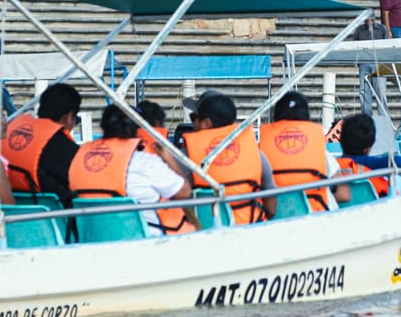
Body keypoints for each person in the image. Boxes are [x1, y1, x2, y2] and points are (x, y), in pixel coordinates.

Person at [67, 102, 195, 235]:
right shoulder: (145, 163)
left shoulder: (79, 160)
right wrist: (168, 158)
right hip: (144, 243)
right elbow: (184, 192)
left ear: (103, 128)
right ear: (136, 130)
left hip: (95, 240)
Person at [179, 91, 274, 223]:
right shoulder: (256, 153)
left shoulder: (186, 156)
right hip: (249, 230)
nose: (192, 124)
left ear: (206, 123)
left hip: (204, 233)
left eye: (193, 118)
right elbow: (272, 208)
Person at [257, 90, 334, 211]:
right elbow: (343, 195)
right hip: (314, 216)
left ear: (276, 115)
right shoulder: (320, 150)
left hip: (274, 218)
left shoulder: (259, 151)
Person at [332, 112, 401, 202]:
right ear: (368, 148)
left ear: (342, 141)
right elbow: (397, 161)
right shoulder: (370, 164)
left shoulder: (331, 165)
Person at [3, 82, 78, 196]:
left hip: (9, 205)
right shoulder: (64, 147)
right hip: (49, 210)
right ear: (68, 117)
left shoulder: (11, 129)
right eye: (74, 118)